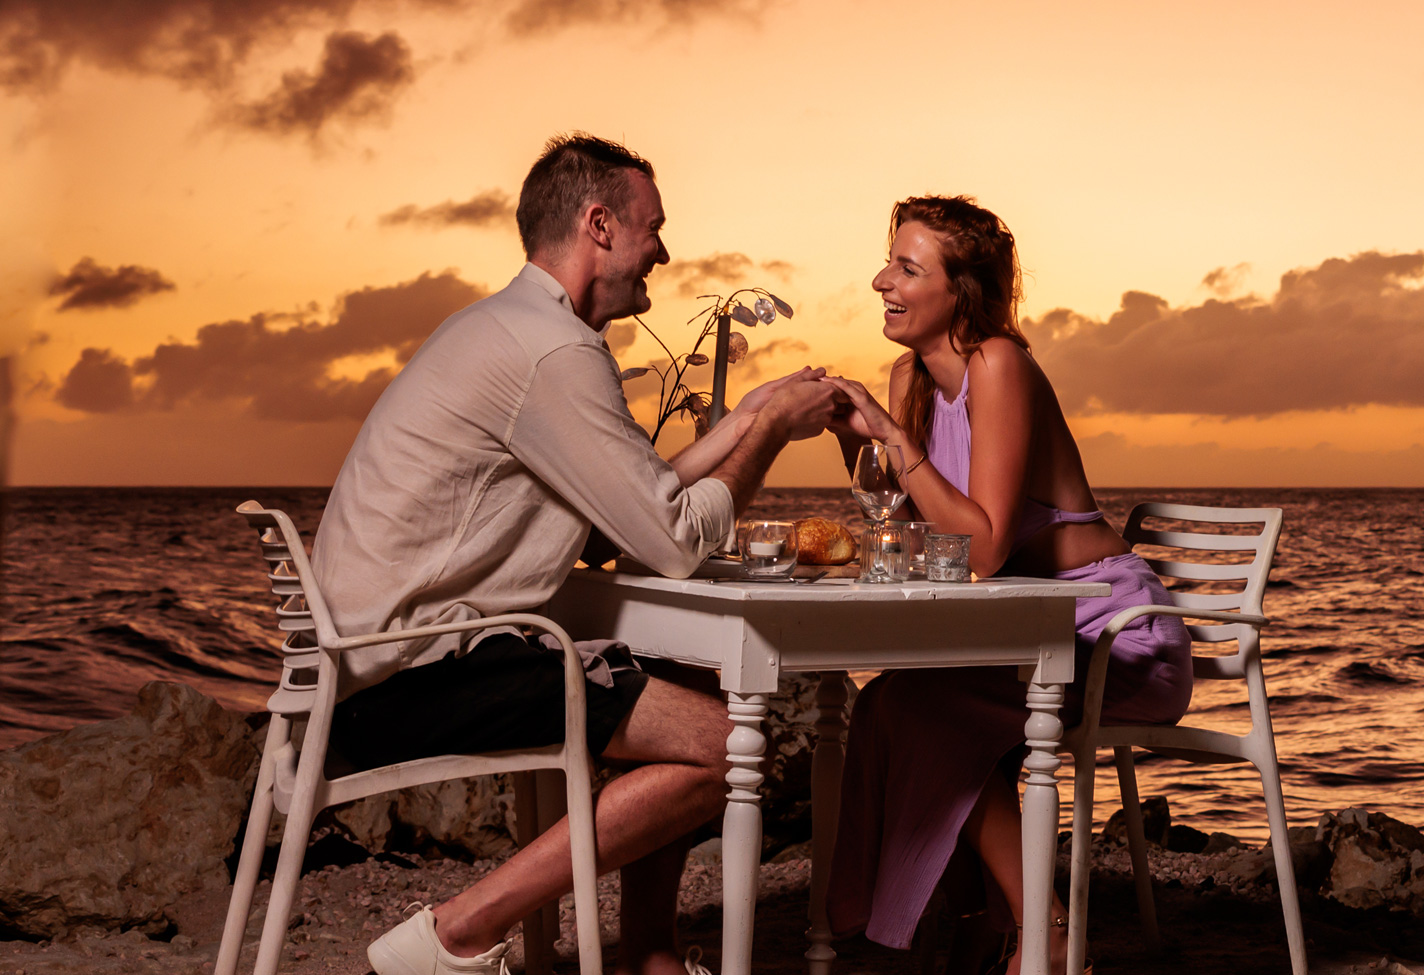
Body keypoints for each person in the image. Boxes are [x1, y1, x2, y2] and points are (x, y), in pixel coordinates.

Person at [313, 133, 841, 975]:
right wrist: (773, 434)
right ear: (599, 224)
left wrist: (747, 414)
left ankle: (646, 956)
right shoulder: (555, 352)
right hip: (405, 681)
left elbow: (630, 498)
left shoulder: (512, 329)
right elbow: (669, 540)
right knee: (724, 742)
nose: (663, 251)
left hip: (372, 665)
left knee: (701, 683)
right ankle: (453, 935)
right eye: (652, 228)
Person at [822, 196, 1195, 974]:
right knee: (888, 699)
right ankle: (934, 921)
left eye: (907, 267)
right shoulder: (908, 376)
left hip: (1109, 633)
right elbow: (917, 525)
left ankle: (1045, 927)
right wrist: (847, 435)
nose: (880, 279)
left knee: (924, 709)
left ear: (960, 291)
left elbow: (984, 546)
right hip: (1023, 633)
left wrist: (892, 439)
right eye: (889, 260)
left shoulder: (1000, 365)